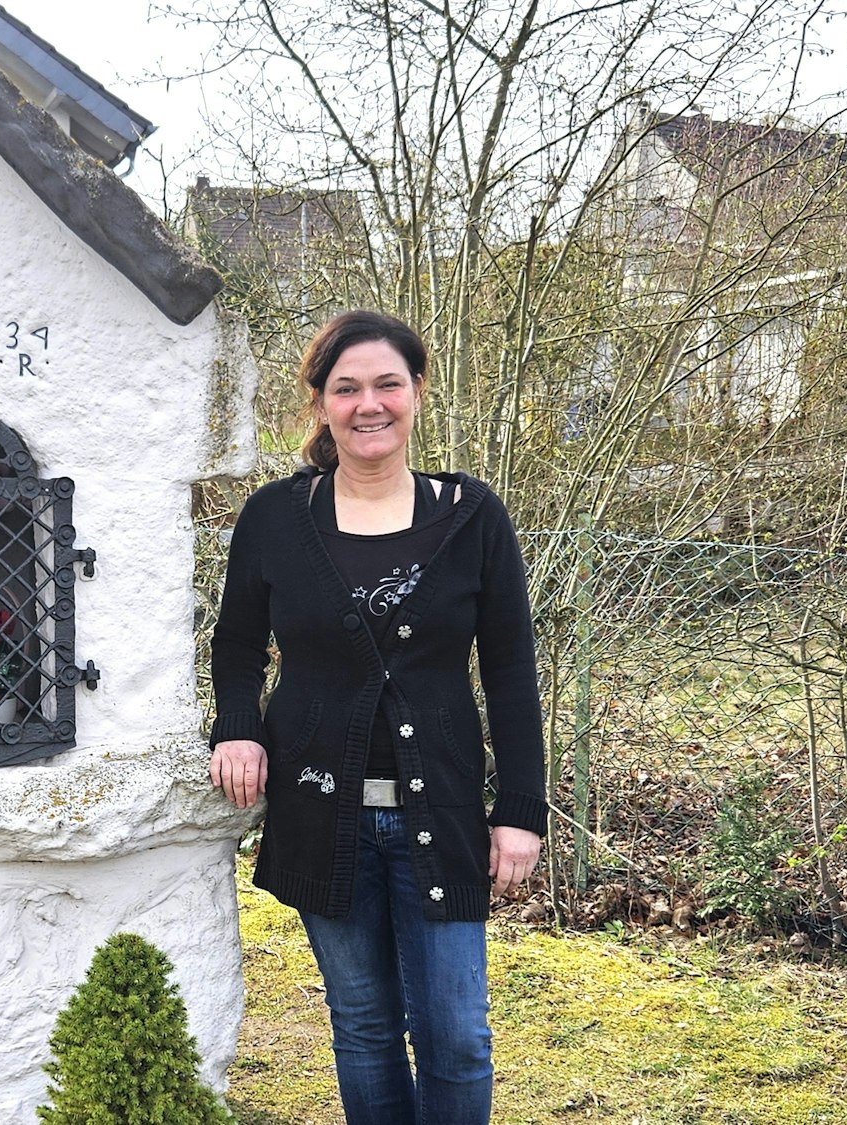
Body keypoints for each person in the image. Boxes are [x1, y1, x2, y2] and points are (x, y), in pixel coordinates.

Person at [208, 309, 547, 1124]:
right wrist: (237, 726)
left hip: (445, 816)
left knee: (457, 1034)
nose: (370, 403)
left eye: (387, 383)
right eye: (347, 387)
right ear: (321, 402)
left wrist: (522, 812)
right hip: (324, 816)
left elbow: (508, 670)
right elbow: (237, 643)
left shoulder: (471, 516)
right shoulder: (274, 519)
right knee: (362, 1028)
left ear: (418, 391)